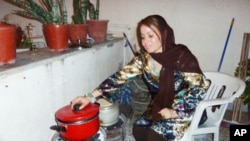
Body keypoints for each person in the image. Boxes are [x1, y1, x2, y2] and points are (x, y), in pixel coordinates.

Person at [71, 14, 210, 141]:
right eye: (142, 37)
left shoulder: (181, 56)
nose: (145, 42)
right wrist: (89, 97)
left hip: (186, 108)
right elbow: (119, 77)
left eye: (151, 36)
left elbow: (199, 88)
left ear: (164, 34)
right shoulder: (144, 58)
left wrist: (175, 112)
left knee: (155, 136)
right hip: (161, 106)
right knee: (139, 130)